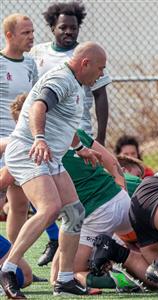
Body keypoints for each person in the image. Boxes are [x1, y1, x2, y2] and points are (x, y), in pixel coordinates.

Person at [0, 41, 106, 298]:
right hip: (29, 151)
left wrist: (80, 147)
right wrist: (38, 138)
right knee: (49, 208)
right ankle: (8, 269)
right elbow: (39, 106)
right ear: (85, 64)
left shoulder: (77, 84)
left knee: (75, 212)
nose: (102, 74)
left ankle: (65, 280)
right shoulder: (61, 78)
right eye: (100, 68)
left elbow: (62, 122)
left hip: (50, 156)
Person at [0, 13, 60, 269]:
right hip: (3, 141)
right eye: (25, 33)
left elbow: (32, 104)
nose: (31, 37)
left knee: (20, 202)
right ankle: (52, 238)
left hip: (19, 139)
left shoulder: (29, 64)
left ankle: (14, 262)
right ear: (9, 35)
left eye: (33, 32)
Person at [29, 1, 110, 145]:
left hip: (79, 130)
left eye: (74, 27)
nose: (69, 31)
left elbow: (100, 95)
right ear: (53, 28)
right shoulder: (37, 52)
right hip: (47, 131)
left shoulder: (88, 55)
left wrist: (101, 137)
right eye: (63, 27)